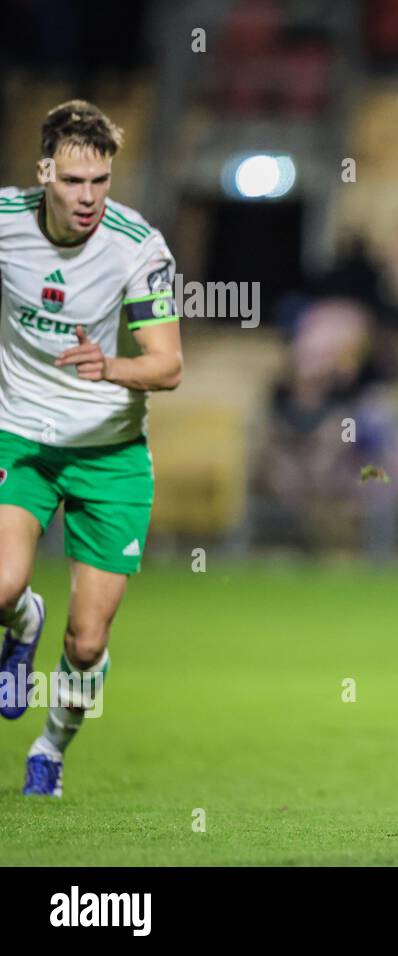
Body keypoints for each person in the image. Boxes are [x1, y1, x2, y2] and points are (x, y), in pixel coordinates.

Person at [0, 101, 183, 796]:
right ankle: (21, 622)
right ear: (44, 171)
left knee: (88, 644)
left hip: (110, 454)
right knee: (1, 585)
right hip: (20, 439)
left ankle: (51, 747)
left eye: (100, 181)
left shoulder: (138, 247)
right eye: (74, 181)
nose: (88, 198)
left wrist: (113, 366)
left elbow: (167, 366)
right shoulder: (7, 223)